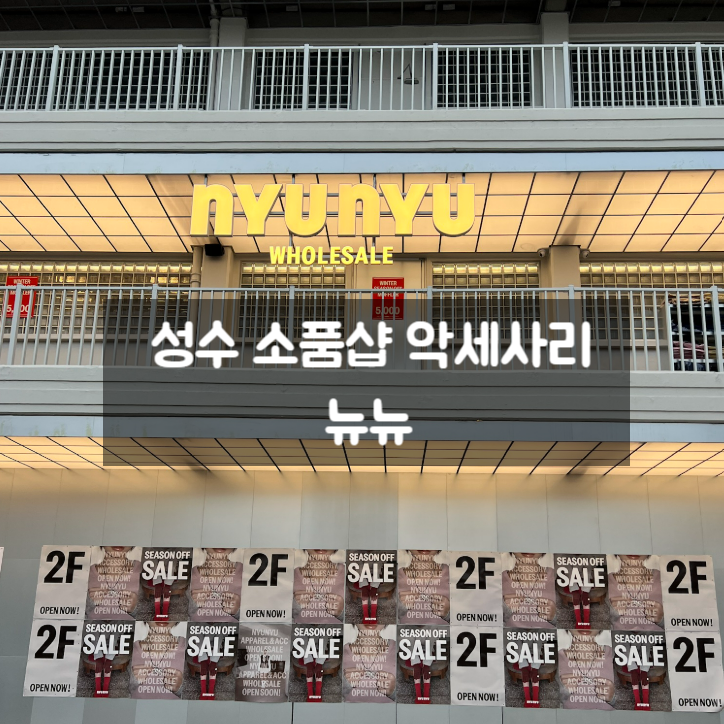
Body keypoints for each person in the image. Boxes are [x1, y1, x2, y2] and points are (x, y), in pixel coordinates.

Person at [558, 629, 615, 710]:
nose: (585, 626)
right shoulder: (554, 660)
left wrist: (614, 698)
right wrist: (560, 695)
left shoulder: (617, 655)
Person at [130, 621, 186, 699]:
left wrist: (182, 688)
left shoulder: (190, 647)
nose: (162, 618)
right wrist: (131, 683)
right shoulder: (127, 649)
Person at [607, 555, 664, 630]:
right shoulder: (602, 584)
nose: (633, 551)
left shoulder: (665, 579)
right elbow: (595, 631)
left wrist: (663, 620)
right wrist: (609, 616)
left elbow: (678, 625)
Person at [342, 624, 396, 703]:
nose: (370, 620)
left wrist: (394, 693)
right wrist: (343, 687)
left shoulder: (400, 649)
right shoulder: (338, 654)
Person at [86, 546, 142, 620]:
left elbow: (153, 616)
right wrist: (88, 603)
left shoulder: (146, 571)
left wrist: (136, 608)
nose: (118, 542)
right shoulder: (83, 573)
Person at [502, 552, 556, 628]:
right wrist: (504, 613)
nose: (528, 549)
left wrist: (555, 617)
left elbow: (572, 625)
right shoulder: (496, 581)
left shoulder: (560, 578)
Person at [189, 548, 243, 621]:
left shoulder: (248, 573)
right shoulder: (186, 577)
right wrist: (189, 607)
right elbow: (175, 622)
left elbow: (257, 621)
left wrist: (239, 611)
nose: (219, 544)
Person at [398, 550, 450, 625]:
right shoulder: (393, 580)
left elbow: (466, 621)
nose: (424, 546)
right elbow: (383, 625)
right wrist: (398, 610)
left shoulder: (453, 576)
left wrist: (449, 614)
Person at [293, 549, 345, 623]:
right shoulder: (288, 577)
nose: (321, 546)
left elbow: (360, 621)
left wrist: (342, 613)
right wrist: (294, 608)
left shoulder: (350, 575)